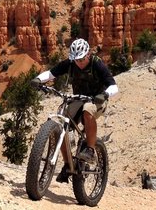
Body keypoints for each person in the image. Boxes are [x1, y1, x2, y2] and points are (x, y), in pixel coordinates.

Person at [31, 38, 118, 183]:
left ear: (88, 54)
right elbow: (52, 73)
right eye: (76, 60)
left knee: (87, 110)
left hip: (96, 100)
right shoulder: (71, 64)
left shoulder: (97, 64)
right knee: (61, 122)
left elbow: (114, 86)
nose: (79, 62)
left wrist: (104, 94)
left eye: (82, 59)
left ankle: (90, 149)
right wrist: (38, 80)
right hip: (78, 98)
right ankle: (67, 164)